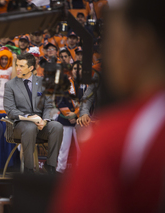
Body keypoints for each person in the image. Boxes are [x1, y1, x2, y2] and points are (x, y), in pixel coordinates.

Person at [50, 0, 165, 212]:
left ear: (141, 43)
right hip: (72, 120)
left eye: (112, 40)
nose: (109, 54)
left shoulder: (114, 142)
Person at [3, 53, 63, 174]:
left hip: (41, 124)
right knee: (30, 127)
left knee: (57, 126)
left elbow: (49, 105)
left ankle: (50, 166)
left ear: (31, 68)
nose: (17, 68)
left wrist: (45, 120)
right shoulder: (10, 85)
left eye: (21, 66)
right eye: (17, 65)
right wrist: (30, 118)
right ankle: (28, 169)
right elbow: (10, 110)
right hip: (20, 125)